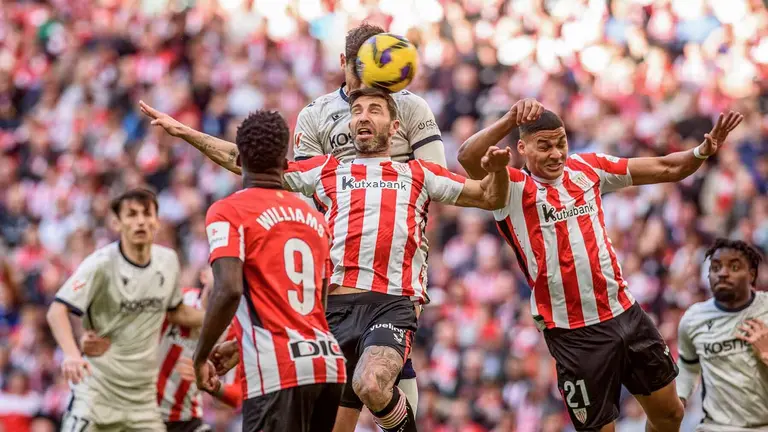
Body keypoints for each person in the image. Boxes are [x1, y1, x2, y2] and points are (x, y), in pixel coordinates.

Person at [140, 23, 444, 423]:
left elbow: (435, 179)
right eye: (362, 68)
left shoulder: (410, 107)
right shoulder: (317, 116)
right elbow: (289, 180)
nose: (371, 80)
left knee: (377, 382)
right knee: (351, 403)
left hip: (394, 273)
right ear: (345, 64)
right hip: (336, 276)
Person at [209, 87, 510, 432]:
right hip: (333, 312)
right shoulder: (327, 170)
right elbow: (246, 159)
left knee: (371, 383)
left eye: (374, 110)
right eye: (357, 111)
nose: (363, 116)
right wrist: (184, 132)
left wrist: (498, 172)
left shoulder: (419, 173)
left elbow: (488, 196)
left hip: (390, 304)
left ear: (394, 126)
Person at [457, 98, 744, 432]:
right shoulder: (509, 187)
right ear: (522, 148)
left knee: (670, 415)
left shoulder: (587, 168)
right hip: (575, 334)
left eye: (561, 143)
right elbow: (467, 157)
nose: (556, 154)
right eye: (544, 146)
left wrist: (701, 152)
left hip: (624, 312)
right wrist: (509, 119)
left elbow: (667, 168)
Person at [192, 109, 347, 432]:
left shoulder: (228, 211)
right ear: (286, 162)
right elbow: (318, 303)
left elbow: (228, 289)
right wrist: (237, 343)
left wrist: (200, 355)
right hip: (327, 364)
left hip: (277, 370)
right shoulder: (316, 221)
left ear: (239, 160)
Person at [46, 188, 205, 431]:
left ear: (156, 221)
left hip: (142, 402)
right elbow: (56, 311)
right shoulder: (100, 264)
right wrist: (72, 355)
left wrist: (226, 318)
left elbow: (176, 312)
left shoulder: (168, 261)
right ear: (116, 223)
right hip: (97, 395)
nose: (140, 221)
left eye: (146, 213)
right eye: (131, 214)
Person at [80, 276, 243, 432]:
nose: (224, 273)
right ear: (203, 276)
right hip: (141, 411)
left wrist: (213, 384)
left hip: (184, 418)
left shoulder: (232, 333)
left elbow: (235, 397)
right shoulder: (176, 301)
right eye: (216, 266)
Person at [677, 238, 768, 431]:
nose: (723, 273)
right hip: (714, 427)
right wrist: (679, 398)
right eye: (715, 267)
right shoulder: (693, 319)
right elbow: (688, 367)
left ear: (751, 275)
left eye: (734, 267)